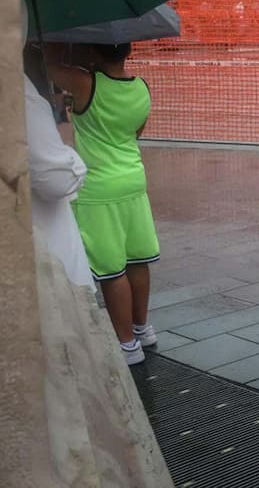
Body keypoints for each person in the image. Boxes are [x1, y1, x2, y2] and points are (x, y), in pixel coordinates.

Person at [43, 40, 159, 365]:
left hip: (99, 189)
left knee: (111, 269)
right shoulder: (142, 87)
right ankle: (143, 330)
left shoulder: (85, 83)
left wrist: (55, 45)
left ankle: (126, 345)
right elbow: (135, 133)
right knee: (137, 260)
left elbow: (48, 69)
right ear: (128, 50)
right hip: (133, 180)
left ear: (93, 51)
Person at [22, 2, 93, 289]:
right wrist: (69, 151)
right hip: (42, 249)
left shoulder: (82, 83)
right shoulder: (18, 94)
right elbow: (56, 179)